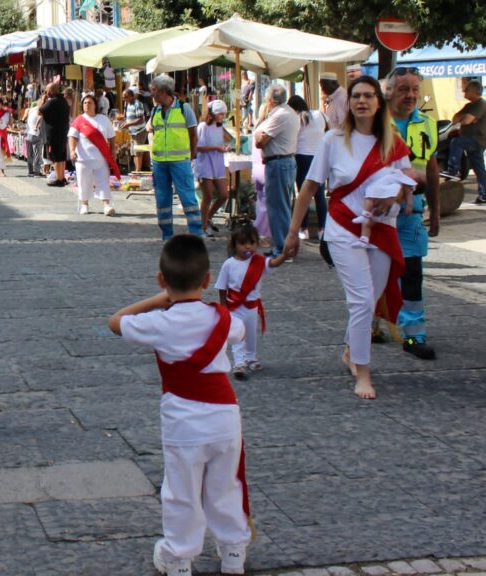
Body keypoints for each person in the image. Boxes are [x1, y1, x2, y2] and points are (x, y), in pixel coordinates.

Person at [108, 235, 251, 576]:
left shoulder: (159, 322)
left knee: (182, 490)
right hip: (224, 418)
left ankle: (178, 557)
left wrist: (159, 300)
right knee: (225, 484)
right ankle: (233, 551)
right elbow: (241, 331)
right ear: (206, 280)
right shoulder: (222, 319)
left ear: (161, 279)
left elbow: (116, 322)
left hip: (183, 421)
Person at [285, 76, 412, 400]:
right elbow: (310, 187)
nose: (362, 101)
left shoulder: (393, 143)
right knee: (360, 299)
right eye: (356, 96)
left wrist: (393, 198)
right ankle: (363, 373)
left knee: (370, 299)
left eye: (369, 95)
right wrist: (292, 232)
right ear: (349, 102)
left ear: (378, 103)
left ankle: (350, 351)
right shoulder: (333, 140)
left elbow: (407, 189)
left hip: (382, 228)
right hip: (342, 227)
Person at [380, 66, 442, 359]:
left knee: (413, 270)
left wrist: (437, 211)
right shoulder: (372, 123)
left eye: (415, 89)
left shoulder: (427, 124)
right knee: (375, 271)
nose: (411, 95)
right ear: (389, 91)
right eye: (404, 89)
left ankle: (414, 334)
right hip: (378, 209)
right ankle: (371, 323)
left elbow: (431, 167)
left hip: (412, 209)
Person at [217, 222, 288, 378]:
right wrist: (223, 306)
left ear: (257, 243)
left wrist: (284, 255)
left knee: (251, 333)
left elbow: (274, 263)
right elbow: (222, 286)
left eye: (252, 243)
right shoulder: (228, 264)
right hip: (235, 306)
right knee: (237, 333)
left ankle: (251, 357)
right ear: (234, 245)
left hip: (252, 306)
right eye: (243, 243)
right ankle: (239, 362)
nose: (248, 247)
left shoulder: (259, 261)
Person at [148, 74, 204, 239]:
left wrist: (192, 154)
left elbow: (193, 134)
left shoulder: (183, 108)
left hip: (180, 161)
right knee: (162, 200)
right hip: (159, 163)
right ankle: (167, 235)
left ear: (164, 91)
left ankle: (196, 234)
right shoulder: (155, 110)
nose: (152, 94)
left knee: (188, 198)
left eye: (154, 91)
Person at [253, 85, 300, 258]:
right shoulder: (288, 113)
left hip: (279, 163)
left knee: (278, 207)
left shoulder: (280, 115)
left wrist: (258, 134)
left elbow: (260, 141)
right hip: (283, 162)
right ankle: (284, 246)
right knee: (282, 206)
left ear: (271, 100)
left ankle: (282, 248)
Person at [69, 93, 118, 216]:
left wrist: (113, 150)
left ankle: (106, 205)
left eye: (90, 103)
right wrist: (72, 150)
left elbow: (111, 137)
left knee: (103, 181)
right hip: (83, 159)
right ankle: (84, 204)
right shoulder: (79, 120)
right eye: (85, 103)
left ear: (95, 105)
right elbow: (72, 136)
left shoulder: (104, 119)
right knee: (84, 182)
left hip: (101, 158)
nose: (87, 105)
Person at [288, 95, 327, 241]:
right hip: (319, 156)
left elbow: (293, 138)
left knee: (303, 194)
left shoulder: (297, 118)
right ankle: (323, 228)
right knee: (319, 194)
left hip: (301, 156)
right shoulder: (319, 114)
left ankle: (304, 229)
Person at [441, 80, 486, 203]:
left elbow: (465, 121)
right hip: (471, 139)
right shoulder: (469, 106)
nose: (463, 91)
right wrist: (464, 117)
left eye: (467, 89)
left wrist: (465, 117)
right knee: (479, 168)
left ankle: (453, 170)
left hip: (477, 139)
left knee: (456, 142)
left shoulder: (480, 104)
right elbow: (455, 118)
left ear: (474, 91)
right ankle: (484, 195)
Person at [196, 100, 231, 237]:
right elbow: (198, 147)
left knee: (224, 195)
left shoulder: (219, 127)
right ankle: (203, 226)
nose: (223, 117)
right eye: (221, 114)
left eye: (224, 114)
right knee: (208, 195)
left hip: (217, 163)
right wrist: (216, 148)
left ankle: (207, 218)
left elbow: (223, 141)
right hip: (205, 164)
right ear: (214, 114)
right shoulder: (203, 126)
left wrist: (224, 148)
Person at [40, 83, 71, 186]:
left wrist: (43, 100)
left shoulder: (52, 102)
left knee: (56, 157)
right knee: (61, 157)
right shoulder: (64, 101)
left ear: (51, 91)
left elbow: (39, 112)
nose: (46, 93)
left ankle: (59, 179)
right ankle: (62, 177)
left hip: (53, 134)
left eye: (47, 90)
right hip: (62, 132)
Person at [120, 88, 149, 173]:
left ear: (132, 96)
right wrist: (125, 123)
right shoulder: (127, 104)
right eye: (123, 97)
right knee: (134, 151)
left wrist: (128, 124)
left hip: (139, 131)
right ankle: (137, 170)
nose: (124, 99)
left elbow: (140, 119)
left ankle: (138, 171)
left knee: (138, 151)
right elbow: (128, 118)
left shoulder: (138, 104)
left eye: (126, 97)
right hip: (132, 131)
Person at [23, 96, 44, 177]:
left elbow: (24, 119)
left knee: (30, 153)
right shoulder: (41, 110)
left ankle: (30, 171)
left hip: (28, 132)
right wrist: (36, 125)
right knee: (37, 153)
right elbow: (40, 117)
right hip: (36, 132)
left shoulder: (31, 109)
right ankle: (36, 171)